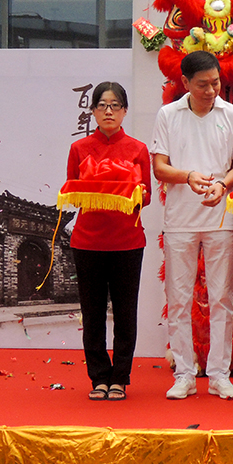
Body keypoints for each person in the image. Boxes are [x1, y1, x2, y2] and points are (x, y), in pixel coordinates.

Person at [152, 50, 233, 400]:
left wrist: (222, 184)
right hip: (180, 220)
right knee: (179, 300)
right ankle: (184, 374)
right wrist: (188, 176)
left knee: (222, 297)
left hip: (221, 218)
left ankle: (219, 375)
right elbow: (159, 168)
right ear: (185, 83)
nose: (211, 91)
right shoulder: (168, 115)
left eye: (216, 83)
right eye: (202, 85)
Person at [66, 82, 151, 401]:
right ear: (93, 111)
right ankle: (99, 376)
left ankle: (120, 377)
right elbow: (72, 190)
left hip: (127, 241)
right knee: (93, 313)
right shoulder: (79, 148)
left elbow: (147, 197)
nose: (109, 111)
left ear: (125, 111)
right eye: (102, 105)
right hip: (87, 241)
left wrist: (135, 194)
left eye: (115, 105)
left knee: (125, 313)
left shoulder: (138, 149)